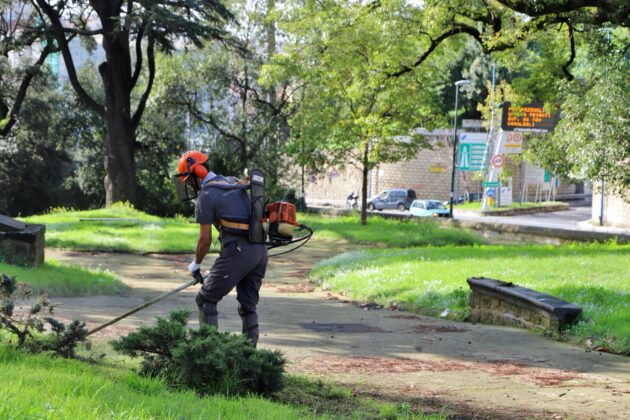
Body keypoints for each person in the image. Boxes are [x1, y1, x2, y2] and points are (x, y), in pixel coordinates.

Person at [176, 150, 268, 347]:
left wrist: (196, 264)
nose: (190, 185)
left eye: (189, 180)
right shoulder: (234, 181)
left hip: (238, 253)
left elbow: (205, 240)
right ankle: (248, 358)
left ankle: (208, 353)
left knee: (205, 299)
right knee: (248, 306)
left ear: (198, 172)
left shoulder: (207, 195)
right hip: (260, 252)